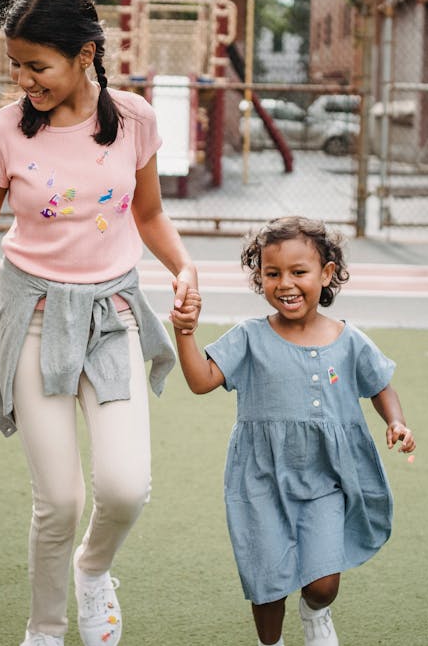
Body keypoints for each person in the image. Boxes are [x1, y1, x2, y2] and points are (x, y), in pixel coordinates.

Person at [0, 0, 198, 646]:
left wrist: (183, 266)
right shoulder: (4, 131)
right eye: (17, 65)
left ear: (85, 55)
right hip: (32, 314)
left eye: (37, 65)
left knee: (124, 488)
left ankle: (93, 569)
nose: (24, 79)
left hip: (112, 316)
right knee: (57, 501)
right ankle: (45, 630)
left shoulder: (136, 119)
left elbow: (148, 213)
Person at [169, 216, 415, 646]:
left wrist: (396, 421)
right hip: (260, 478)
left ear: (327, 274)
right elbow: (199, 380)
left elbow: (380, 385)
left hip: (325, 478)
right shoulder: (249, 337)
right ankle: (271, 643)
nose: (286, 283)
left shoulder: (349, 339)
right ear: (259, 277)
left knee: (323, 584)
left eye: (299, 272)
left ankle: (315, 613)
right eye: (272, 273)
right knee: (267, 583)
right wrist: (185, 332)